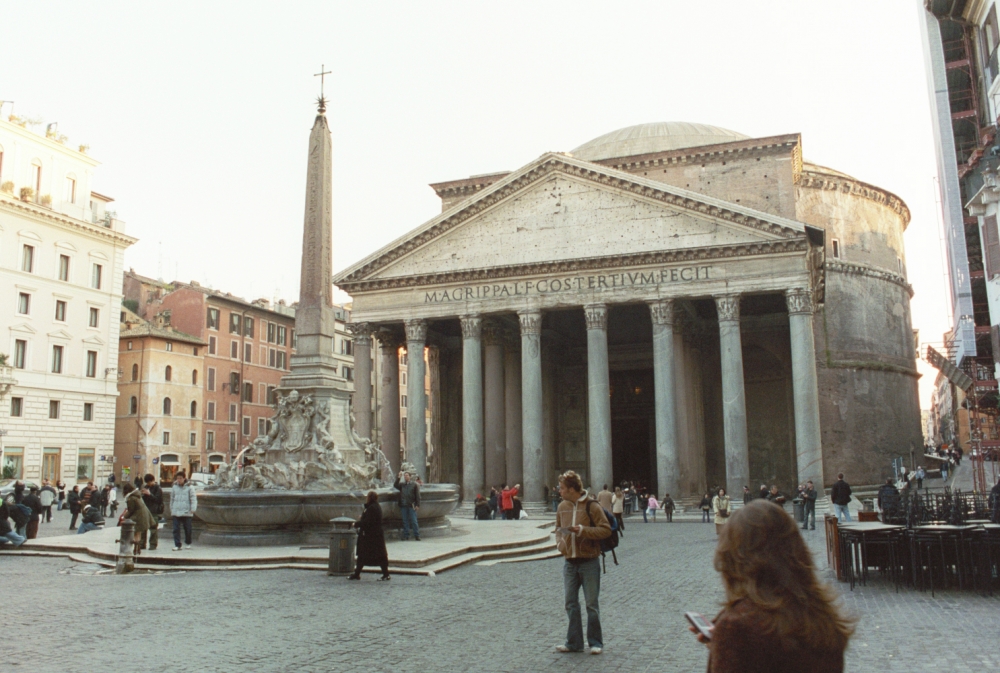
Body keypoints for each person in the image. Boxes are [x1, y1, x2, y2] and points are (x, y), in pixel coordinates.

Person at [690, 500, 853, 672]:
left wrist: (728, 645)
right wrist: (724, 647)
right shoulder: (822, 615)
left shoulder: (737, 625)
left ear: (734, 557)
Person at [554, 470, 611, 655]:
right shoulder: (562, 507)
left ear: (571, 489)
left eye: (562, 488)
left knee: (591, 604)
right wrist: (560, 544)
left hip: (589, 562)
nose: (559, 491)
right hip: (569, 561)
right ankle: (574, 642)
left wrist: (582, 531)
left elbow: (605, 530)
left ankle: (595, 642)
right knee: (570, 603)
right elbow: (558, 529)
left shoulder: (592, 506)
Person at [349, 490, 390, 581]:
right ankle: (385, 574)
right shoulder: (376, 506)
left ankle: (357, 574)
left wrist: (356, 524)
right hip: (375, 535)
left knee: (363, 555)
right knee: (378, 556)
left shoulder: (371, 508)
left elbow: (368, 522)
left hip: (371, 536)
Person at [121, 483, 155, 557]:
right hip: (143, 515)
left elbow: (131, 510)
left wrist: (124, 517)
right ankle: (137, 548)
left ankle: (135, 548)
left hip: (138, 517)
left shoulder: (131, 498)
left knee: (135, 532)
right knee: (138, 532)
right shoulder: (137, 495)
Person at [170, 472, 198, 550]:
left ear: (184, 478)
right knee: (176, 529)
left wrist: (193, 508)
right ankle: (177, 544)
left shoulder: (190, 487)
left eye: (180, 478)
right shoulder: (174, 487)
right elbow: (172, 498)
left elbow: (193, 498)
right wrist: (172, 508)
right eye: (177, 478)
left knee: (187, 528)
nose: (179, 480)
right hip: (176, 510)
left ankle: (188, 542)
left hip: (186, 511)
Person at [393, 470, 420, 541]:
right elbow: (395, 485)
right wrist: (399, 477)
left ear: (410, 477)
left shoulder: (414, 485)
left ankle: (417, 535)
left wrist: (418, 505)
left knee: (414, 521)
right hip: (403, 505)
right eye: (404, 476)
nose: (405, 477)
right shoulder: (402, 485)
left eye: (407, 475)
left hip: (411, 505)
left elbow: (417, 495)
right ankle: (406, 535)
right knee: (405, 521)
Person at [140, 474, 163, 550]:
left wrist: (149, 494)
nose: (148, 484)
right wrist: (142, 494)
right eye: (147, 483)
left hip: (154, 510)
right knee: (143, 528)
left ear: (153, 480)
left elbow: (158, 500)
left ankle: (153, 544)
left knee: (153, 528)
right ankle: (142, 544)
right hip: (145, 509)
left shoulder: (158, 488)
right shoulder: (146, 487)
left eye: (149, 482)